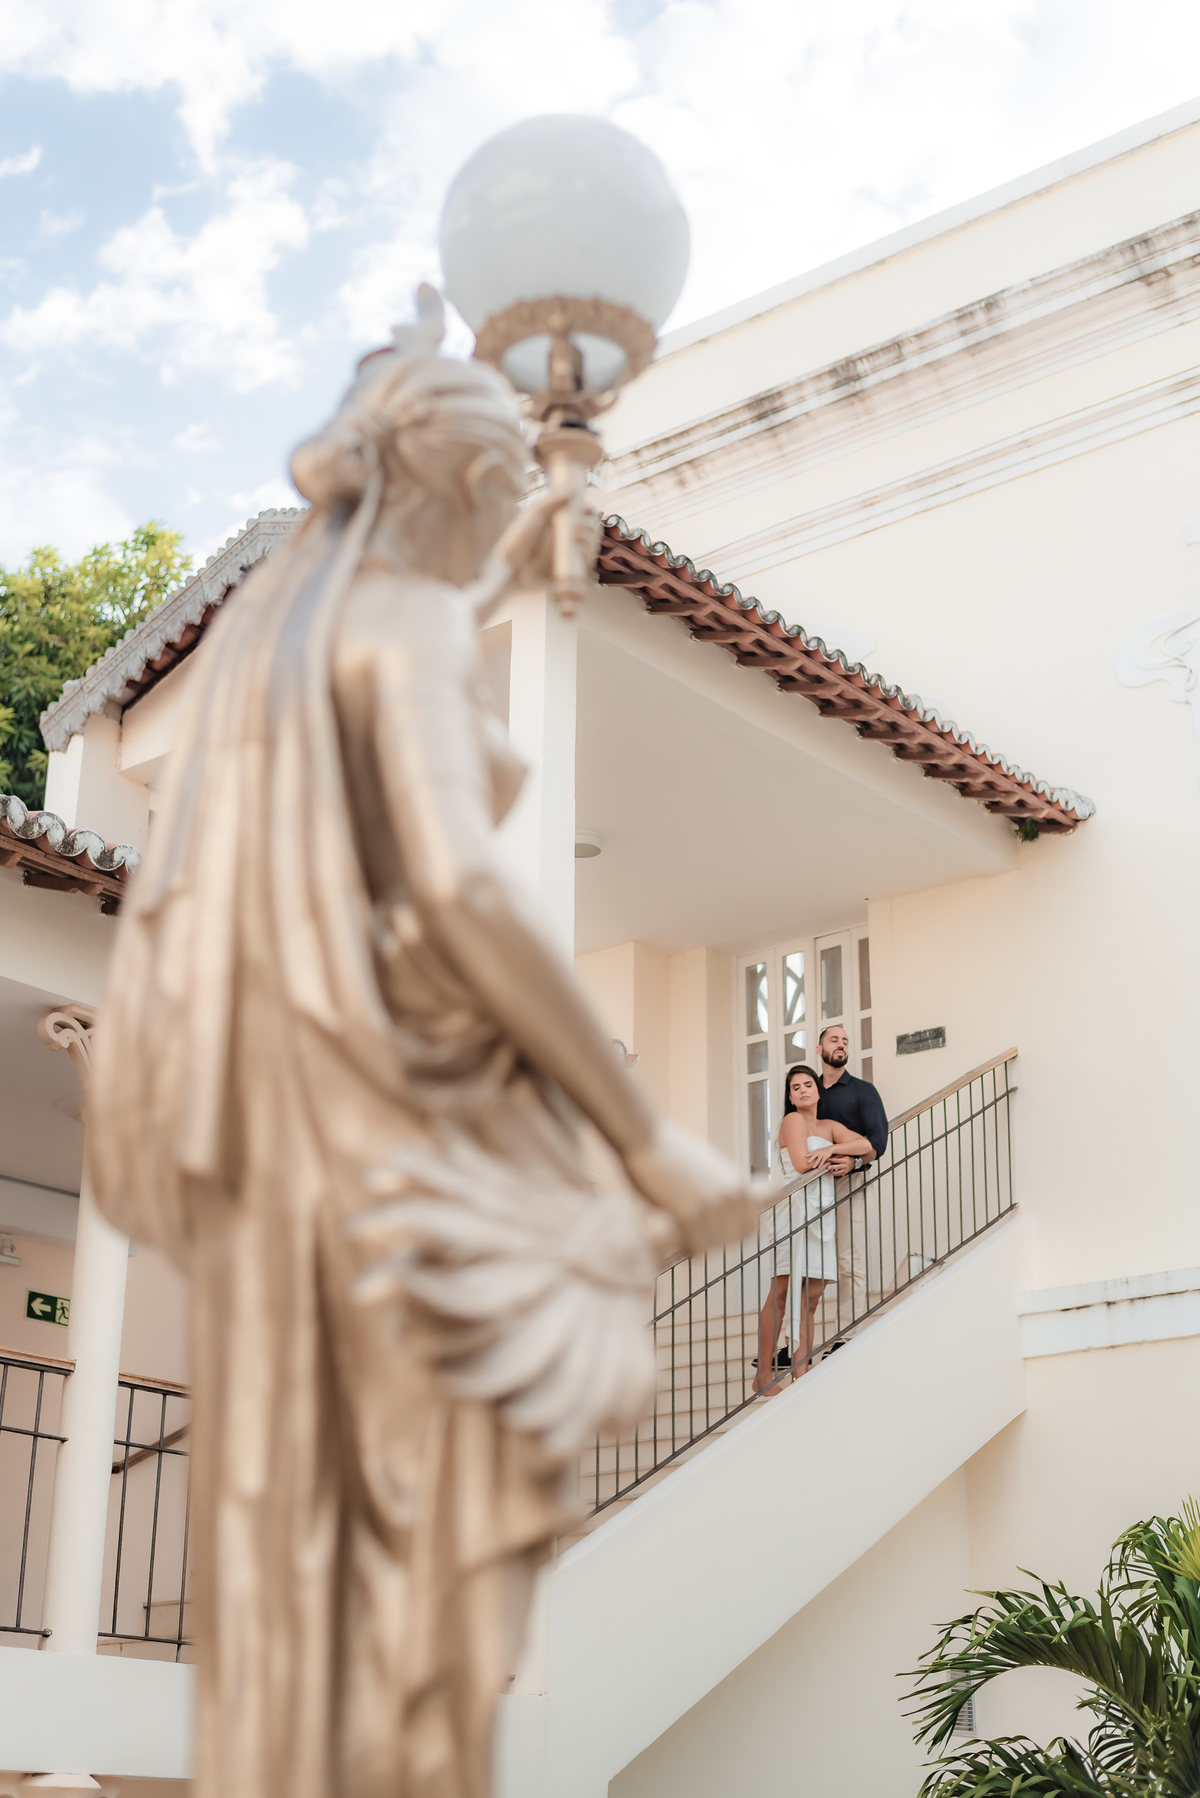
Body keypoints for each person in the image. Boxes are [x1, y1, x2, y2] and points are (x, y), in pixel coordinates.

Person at [87, 293, 761, 1798]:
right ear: (451, 483)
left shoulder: (296, 631)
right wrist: (644, 1135)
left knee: (326, 1538)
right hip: (401, 1134)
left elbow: (439, 609)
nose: (495, 529)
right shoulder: (407, 629)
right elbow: (456, 884)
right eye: (498, 491)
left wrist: (539, 515)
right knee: (428, 1542)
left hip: (306, 1138)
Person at [752, 1065, 874, 1395]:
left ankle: (801, 1373)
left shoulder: (829, 1126)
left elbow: (864, 1144)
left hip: (820, 1214)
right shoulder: (792, 1120)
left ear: (818, 1091)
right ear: (790, 1098)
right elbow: (802, 1163)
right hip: (792, 1213)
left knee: (812, 1296)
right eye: (796, 1087)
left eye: (808, 1084)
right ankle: (763, 1375)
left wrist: (831, 1148)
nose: (803, 1090)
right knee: (781, 1292)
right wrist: (832, 1153)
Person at [815, 1023, 889, 1337]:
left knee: (849, 1260)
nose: (841, 1044)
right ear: (819, 1049)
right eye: (834, 1039)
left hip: (850, 1183)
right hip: (811, 1187)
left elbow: (879, 1141)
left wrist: (854, 1161)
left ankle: (847, 1335)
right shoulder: (807, 1090)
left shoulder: (863, 1091)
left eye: (845, 1040)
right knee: (807, 1264)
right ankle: (796, 1343)